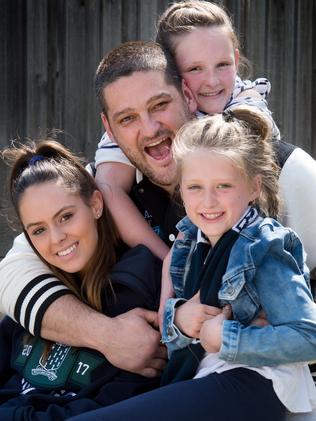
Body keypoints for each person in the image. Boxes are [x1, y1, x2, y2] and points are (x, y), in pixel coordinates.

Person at [0, 40, 316, 380]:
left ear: (187, 95)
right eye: (128, 118)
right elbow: (12, 276)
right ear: (109, 129)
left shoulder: (283, 169)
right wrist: (107, 336)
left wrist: (265, 331)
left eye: (160, 105)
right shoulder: (104, 190)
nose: (149, 129)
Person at [67, 107, 316, 421]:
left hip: (259, 382)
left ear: (253, 187)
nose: (208, 202)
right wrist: (181, 320)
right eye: (195, 187)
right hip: (202, 377)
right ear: (181, 189)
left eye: (223, 186)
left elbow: (309, 337)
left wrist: (227, 339)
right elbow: (170, 334)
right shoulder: (187, 242)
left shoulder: (265, 246)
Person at [95, 0, 279, 263]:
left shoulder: (243, 104)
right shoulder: (127, 135)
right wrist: (168, 260)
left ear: (236, 60)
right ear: (170, 73)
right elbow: (108, 187)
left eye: (223, 65)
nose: (212, 81)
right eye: (195, 68)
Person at [0, 139, 163, 420]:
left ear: (96, 204)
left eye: (65, 217)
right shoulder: (32, 294)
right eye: (38, 230)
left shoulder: (138, 291)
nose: (56, 238)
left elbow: (118, 405)